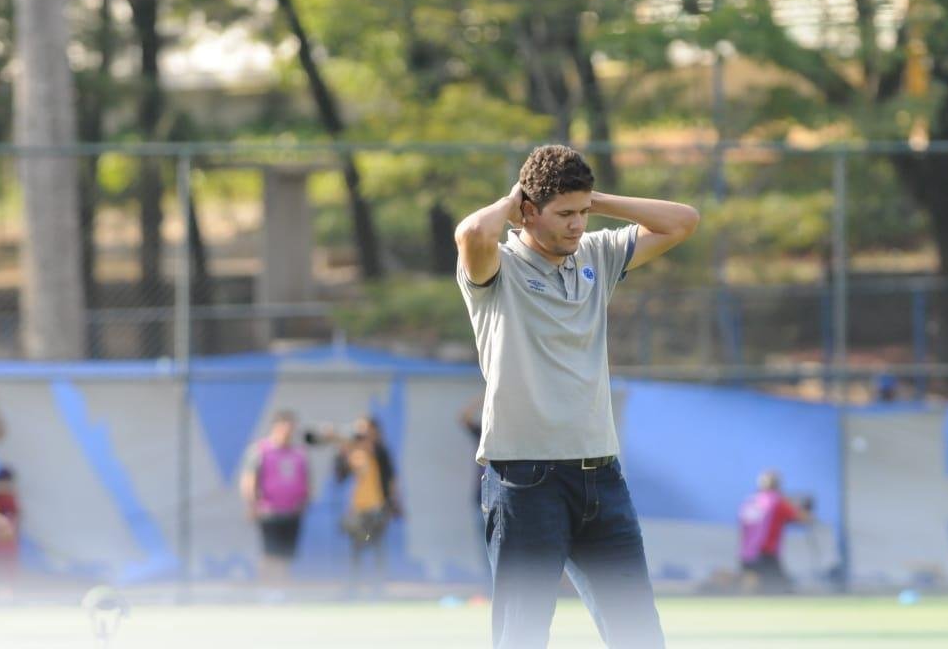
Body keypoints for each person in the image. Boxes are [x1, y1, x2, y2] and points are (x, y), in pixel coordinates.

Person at [455, 144, 699, 648]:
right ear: (528, 211)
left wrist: (595, 200)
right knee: (521, 638)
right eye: (564, 214)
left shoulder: (596, 254)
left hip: (600, 477)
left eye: (583, 212)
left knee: (640, 636)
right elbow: (473, 233)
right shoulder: (496, 266)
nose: (577, 225)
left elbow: (683, 222)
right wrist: (512, 201)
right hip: (525, 480)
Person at [239, 410, 311, 582]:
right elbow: (249, 479)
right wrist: (252, 505)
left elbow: (306, 480)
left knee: (286, 555)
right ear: (275, 427)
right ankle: (267, 589)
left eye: (290, 428)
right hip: (269, 511)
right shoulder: (261, 450)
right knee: (270, 554)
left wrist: (304, 502)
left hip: (292, 512)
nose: (287, 432)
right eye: (284, 427)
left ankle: (282, 589)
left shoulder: (299, 453)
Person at [334, 416, 399, 597]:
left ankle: (378, 588)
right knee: (357, 548)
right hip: (359, 509)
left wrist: (393, 503)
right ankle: (354, 587)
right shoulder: (354, 453)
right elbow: (340, 476)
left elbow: (391, 479)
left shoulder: (380, 451)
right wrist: (344, 453)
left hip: (378, 508)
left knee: (377, 547)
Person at [738, 470, 813, 593]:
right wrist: (806, 508)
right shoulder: (777, 502)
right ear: (778, 485)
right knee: (782, 592)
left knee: (752, 592)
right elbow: (803, 519)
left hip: (746, 554)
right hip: (765, 555)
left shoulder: (749, 501)